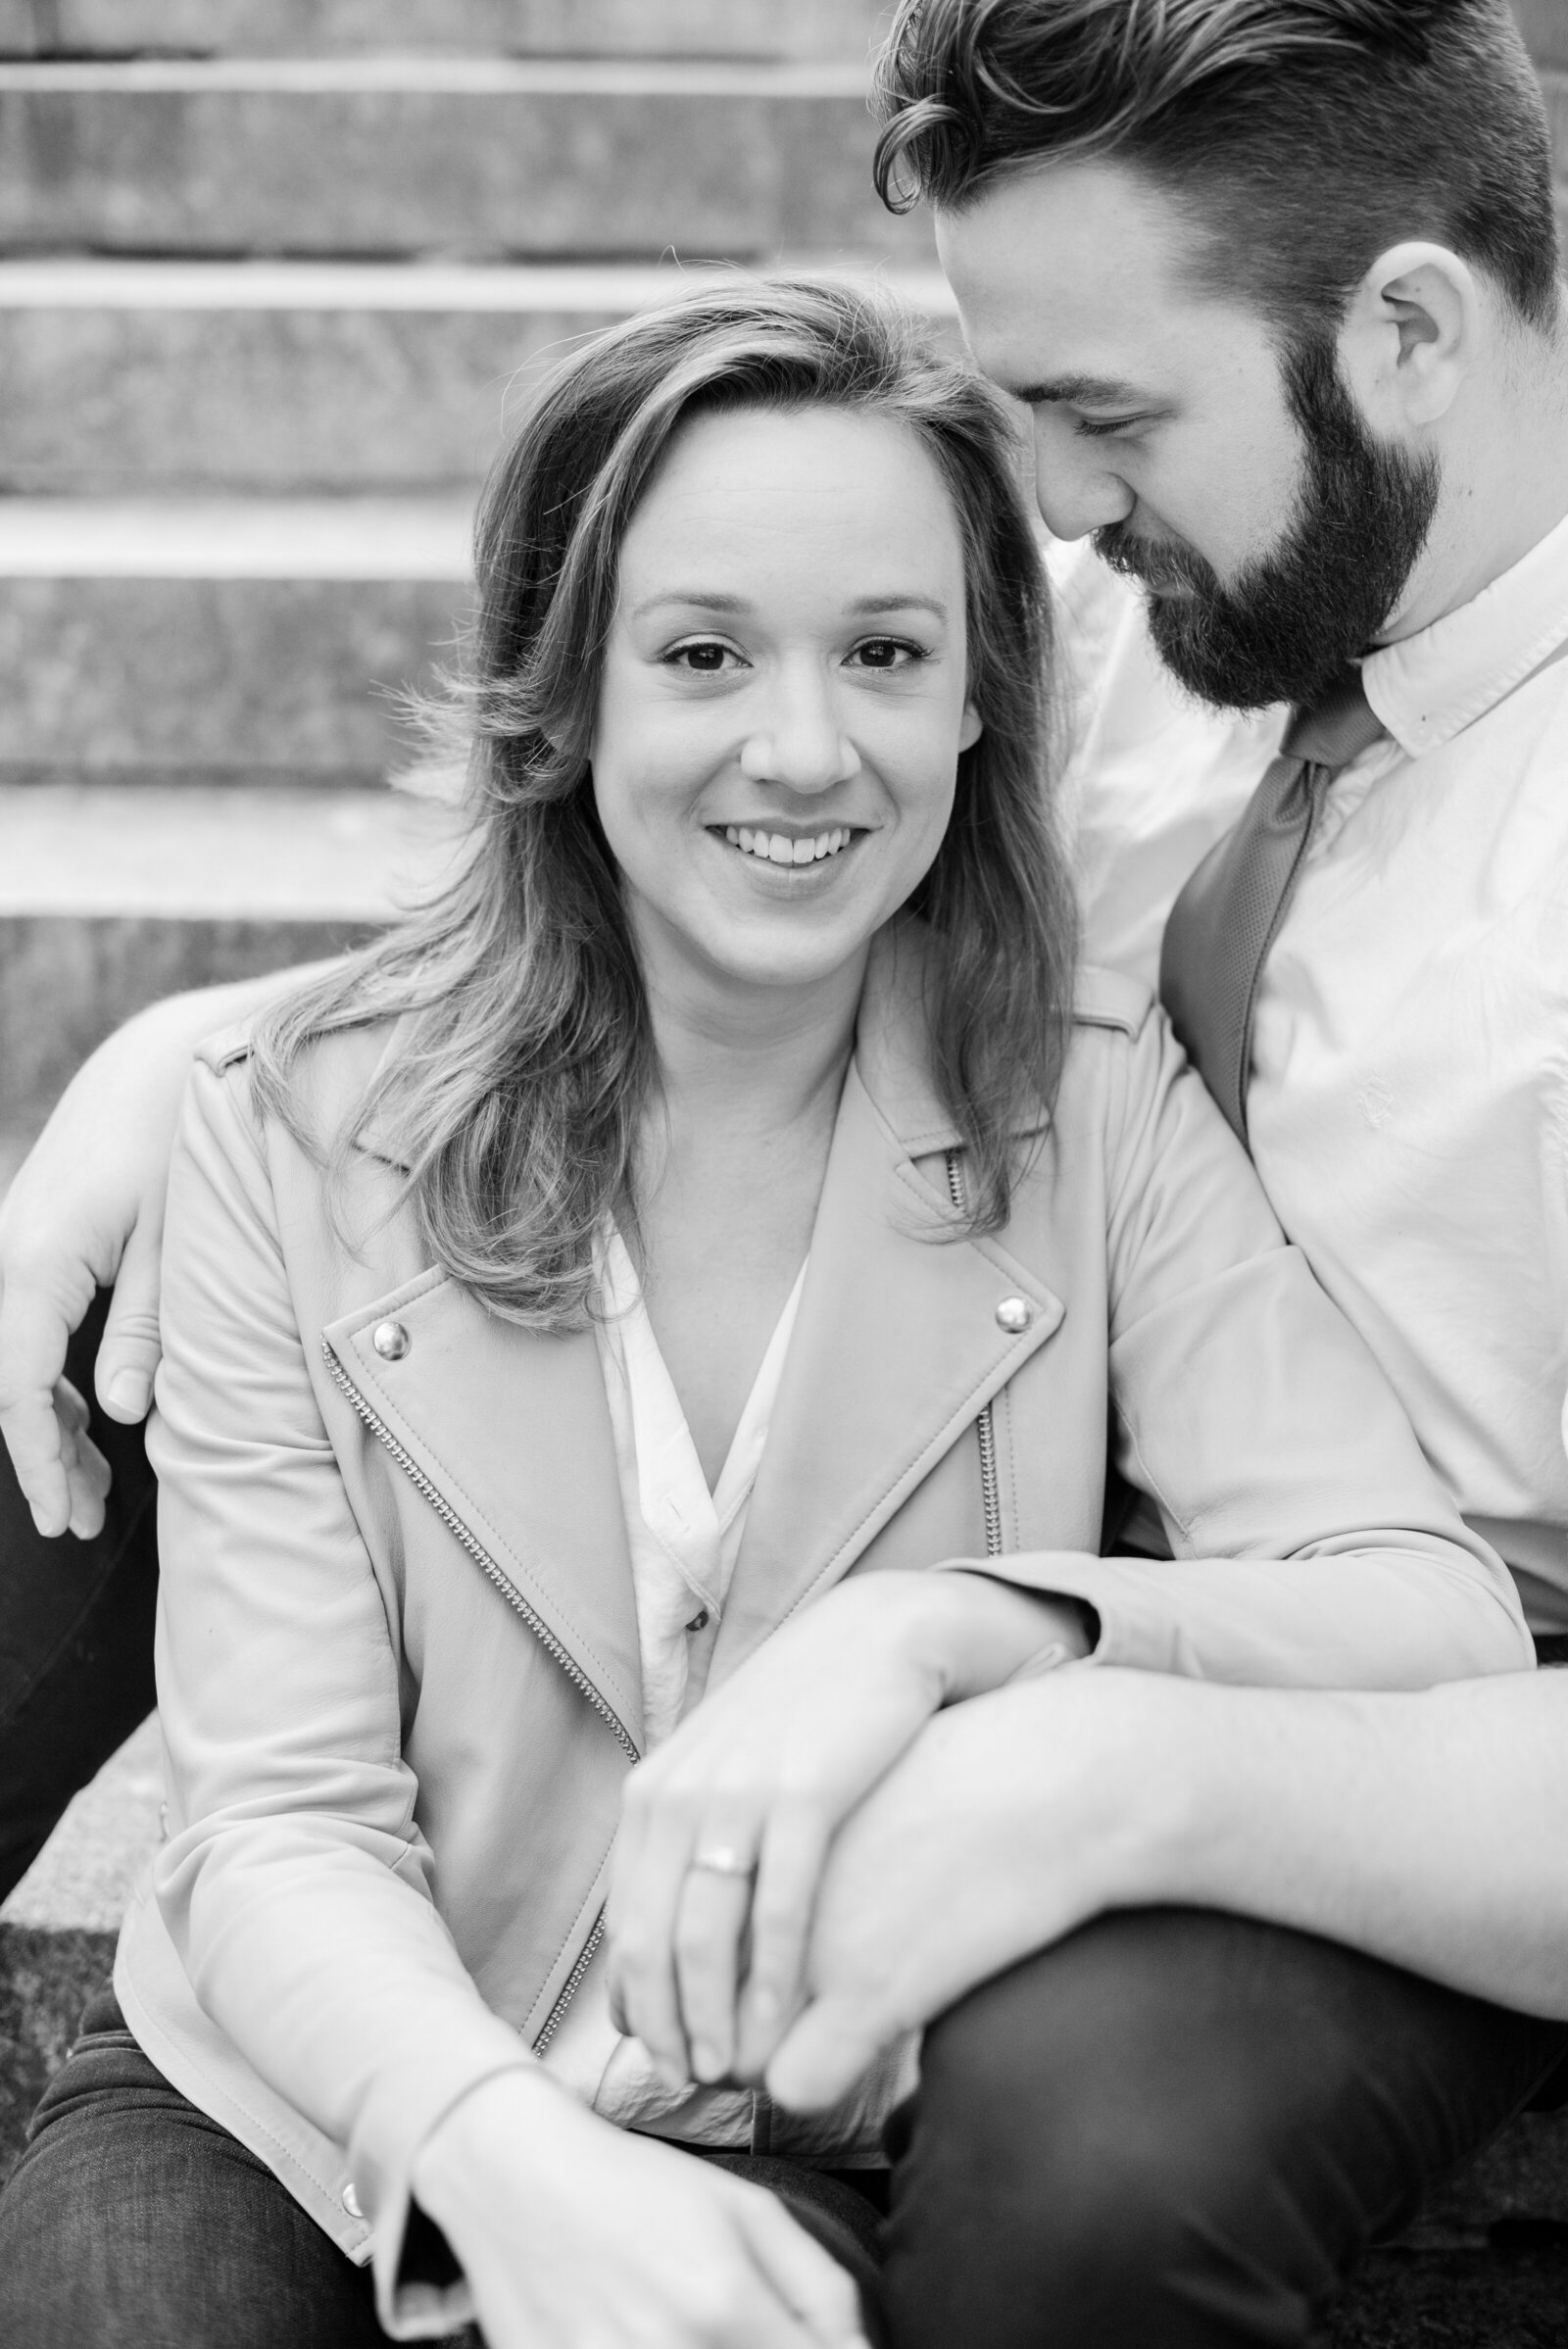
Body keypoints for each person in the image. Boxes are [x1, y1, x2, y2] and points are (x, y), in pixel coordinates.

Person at [0, 273, 1537, 2349]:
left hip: (800, 2119)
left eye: (884, 654)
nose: (801, 749)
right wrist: (495, 2144)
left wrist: (980, 1620)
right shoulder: (292, 1127)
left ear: (984, 694)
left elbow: (1414, 1604)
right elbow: (277, 1824)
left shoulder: (1090, 1095)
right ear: (566, 690)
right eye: (703, 652)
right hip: (302, 2084)